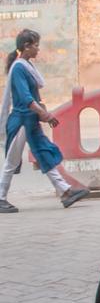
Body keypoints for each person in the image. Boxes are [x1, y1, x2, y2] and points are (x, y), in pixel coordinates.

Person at [0, 30, 90, 213]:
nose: (38, 49)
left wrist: (43, 114)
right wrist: (45, 115)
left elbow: (33, 97)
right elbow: (26, 98)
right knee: (11, 161)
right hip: (21, 121)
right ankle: (1, 197)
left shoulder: (26, 66)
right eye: (35, 45)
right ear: (26, 46)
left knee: (43, 154)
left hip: (30, 120)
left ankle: (65, 191)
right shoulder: (19, 68)